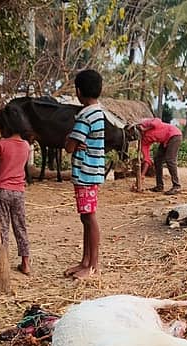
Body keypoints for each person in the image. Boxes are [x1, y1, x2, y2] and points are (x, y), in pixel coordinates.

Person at [64, 69, 105, 280]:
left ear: (79, 91)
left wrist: (69, 139)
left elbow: (70, 146)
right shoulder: (98, 112)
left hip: (85, 173)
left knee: (89, 217)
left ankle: (93, 266)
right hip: (92, 171)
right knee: (85, 217)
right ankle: (85, 261)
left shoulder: (85, 116)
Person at [0, 105, 33, 276]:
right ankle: (25, 262)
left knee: (2, 227)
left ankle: (3, 261)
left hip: (1, 189)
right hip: (19, 191)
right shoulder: (25, 146)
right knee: (20, 226)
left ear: (5, 126)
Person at [138, 117, 182, 195]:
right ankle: (159, 186)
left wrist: (145, 129)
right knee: (157, 159)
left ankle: (176, 186)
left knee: (170, 160)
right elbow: (147, 159)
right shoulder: (143, 142)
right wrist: (142, 175)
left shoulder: (144, 123)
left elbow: (157, 121)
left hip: (174, 135)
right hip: (164, 140)